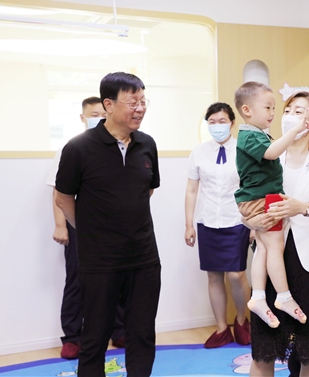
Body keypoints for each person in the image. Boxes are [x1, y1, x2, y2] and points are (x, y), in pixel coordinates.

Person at [55, 72, 161, 377]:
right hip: (99, 259)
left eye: (143, 101)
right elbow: (63, 198)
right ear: (109, 105)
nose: (140, 108)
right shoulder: (78, 148)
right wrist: (91, 230)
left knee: (142, 333)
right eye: (132, 102)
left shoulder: (147, 144)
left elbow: (146, 190)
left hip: (144, 257)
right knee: (95, 336)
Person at [247, 91, 309, 377]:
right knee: (263, 350)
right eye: (287, 110)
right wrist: (251, 219)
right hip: (269, 259)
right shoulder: (267, 154)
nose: (289, 116)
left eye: (299, 111)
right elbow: (244, 202)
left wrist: (304, 207)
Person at [46, 97, 125, 359]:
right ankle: (72, 336)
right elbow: (59, 191)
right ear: (82, 118)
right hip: (79, 223)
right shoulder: (71, 147)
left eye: (103, 114)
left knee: (117, 277)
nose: (99, 118)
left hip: (114, 224)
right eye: (94, 114)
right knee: (77, 279)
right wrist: (61, 225)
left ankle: (119, 330)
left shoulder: (119, 146)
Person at [233, 82, 309, 328]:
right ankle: (284, 296)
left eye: (274, 108)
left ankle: (258, 296)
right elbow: (272, 153)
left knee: (264, 249)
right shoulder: (250, 135)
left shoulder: (256, 134)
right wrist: (295, 129)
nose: (273, 113)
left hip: (261, 199)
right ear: (247, 110)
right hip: (261, 200)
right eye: (268, 107)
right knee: (275, 246)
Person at [184, 102, 251, 348]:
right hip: (208, 220)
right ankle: (222, 328)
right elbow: (192, 190)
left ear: (232, 123)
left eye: (222, 121)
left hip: (237, 220)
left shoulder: (244, 150)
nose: (217, 126)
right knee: (213, 276)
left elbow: (253, 188)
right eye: (212, 122)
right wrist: (189, 224)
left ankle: (242, 321)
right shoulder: (199, 152)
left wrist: (254, 224)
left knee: (236, 274)